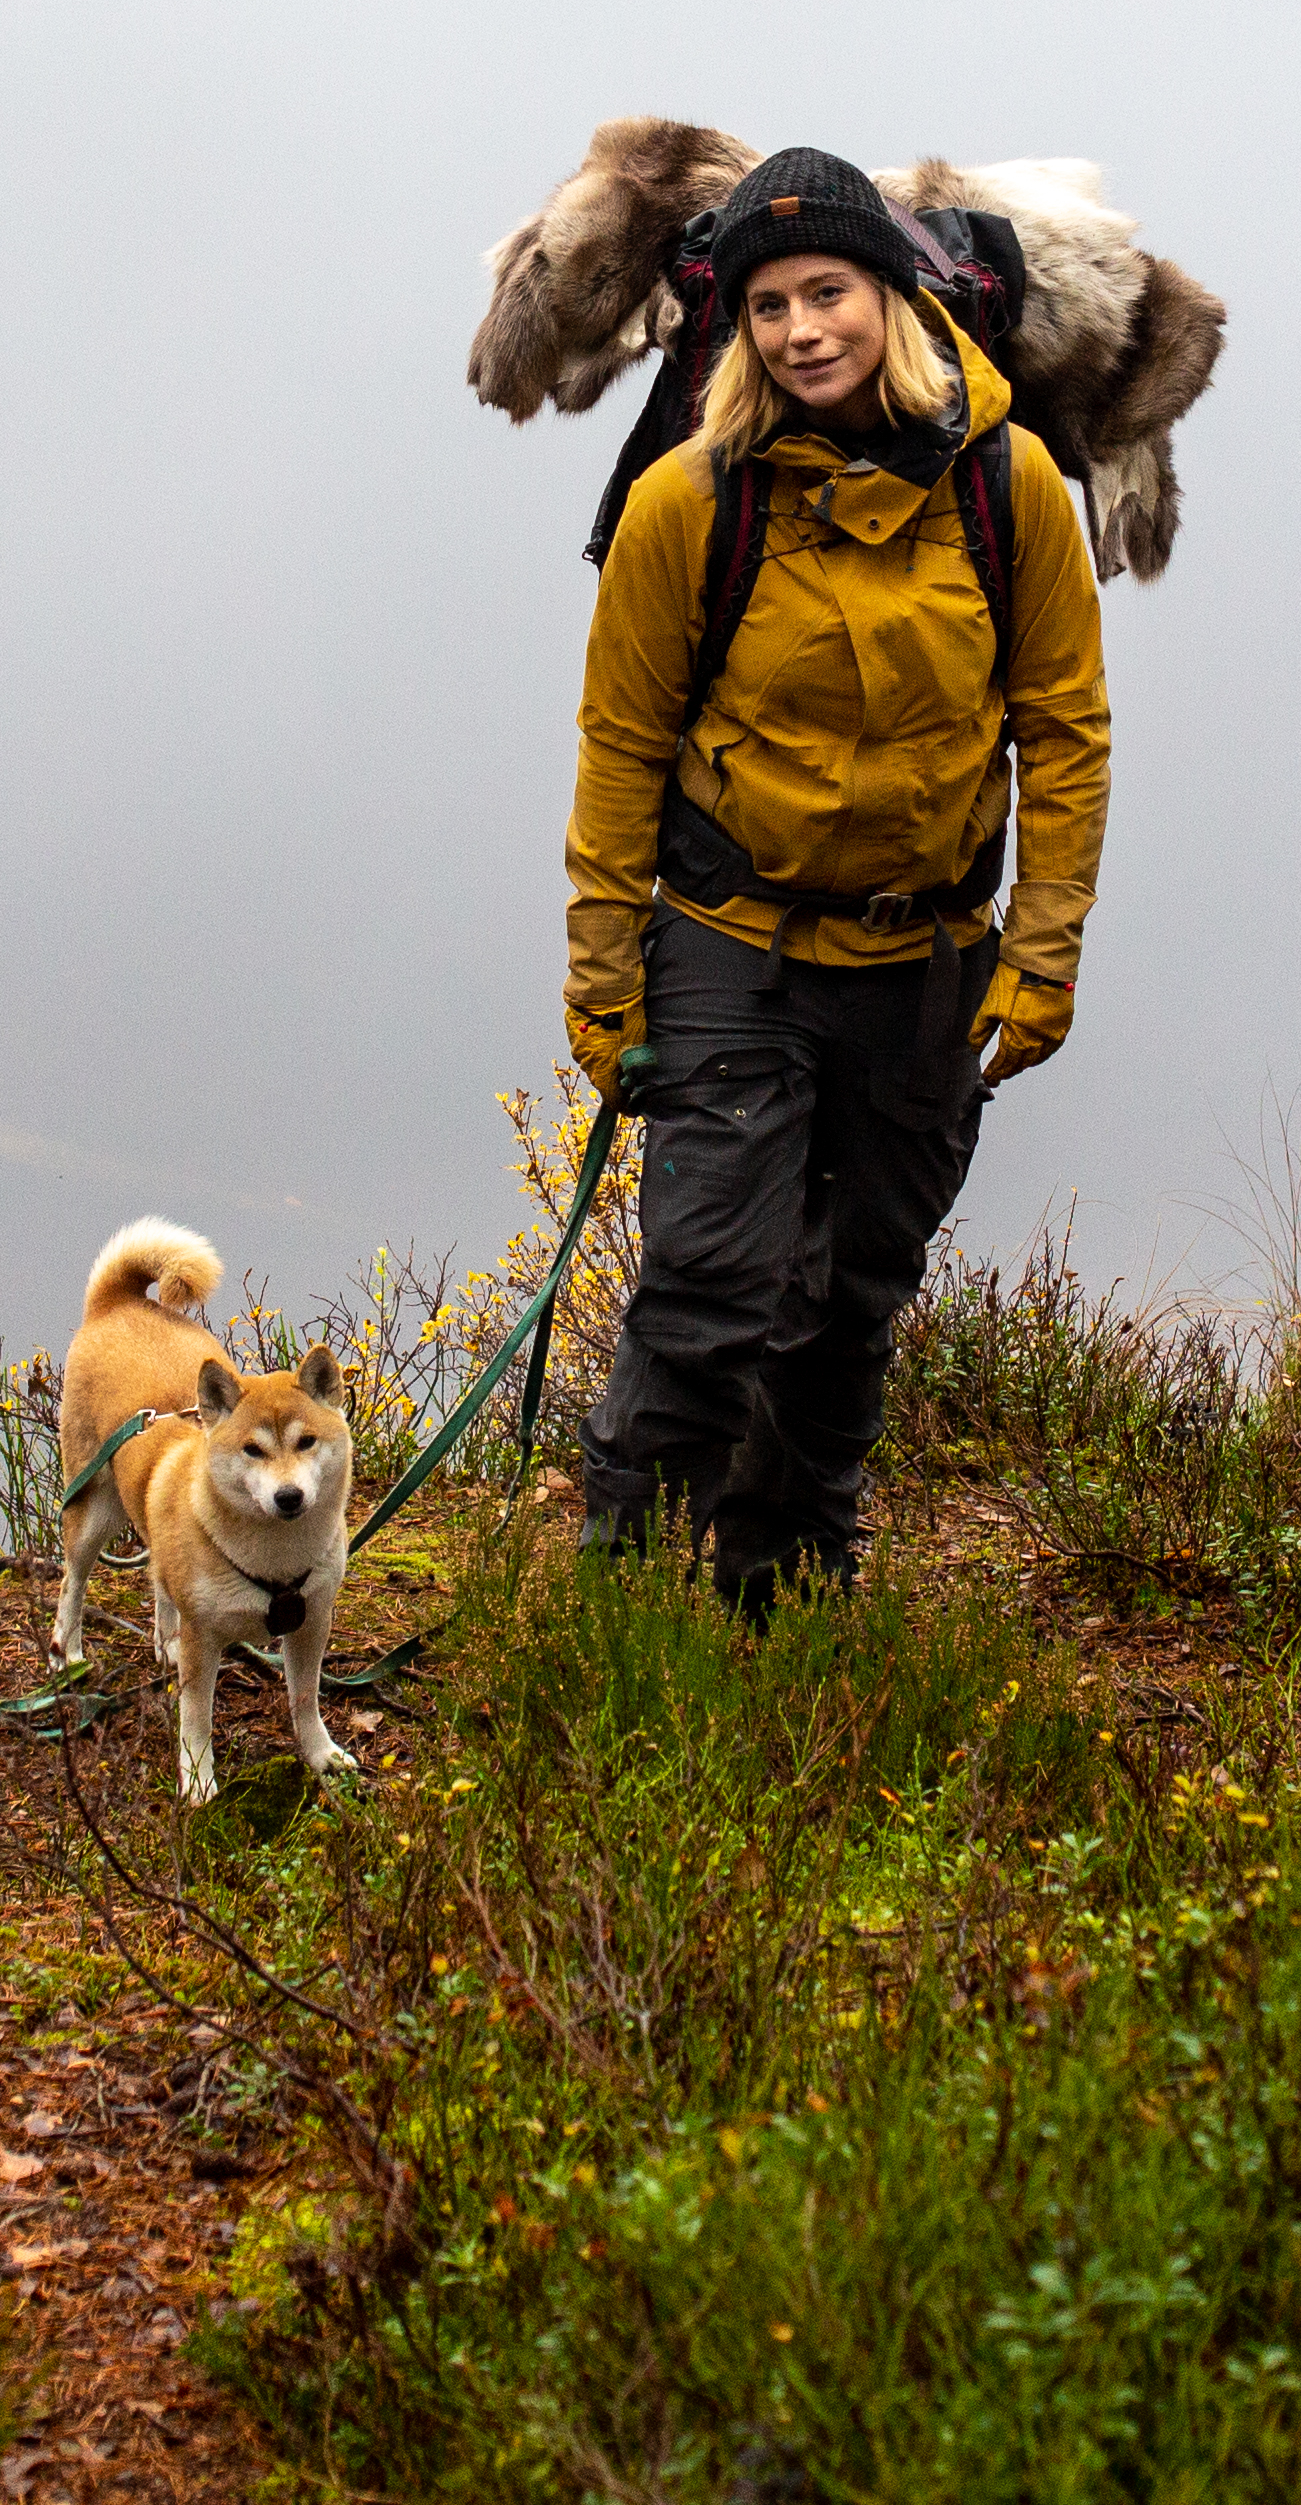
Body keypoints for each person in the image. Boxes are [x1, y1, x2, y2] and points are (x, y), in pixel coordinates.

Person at [560, 148, 1110, 1612]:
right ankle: (616, 1617)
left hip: (926, 964)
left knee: (850, 1303)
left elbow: (1065, 732)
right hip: (733, 950)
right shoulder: (692, 504)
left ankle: (787, 1601)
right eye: (769, 307)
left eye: (830, 293)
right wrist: (604, 980)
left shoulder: (1015, 489)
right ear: (733, 330)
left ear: (898, 297)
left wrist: (1040, 954)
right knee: (708, 1292)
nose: (804, 330)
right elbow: (620, 750)